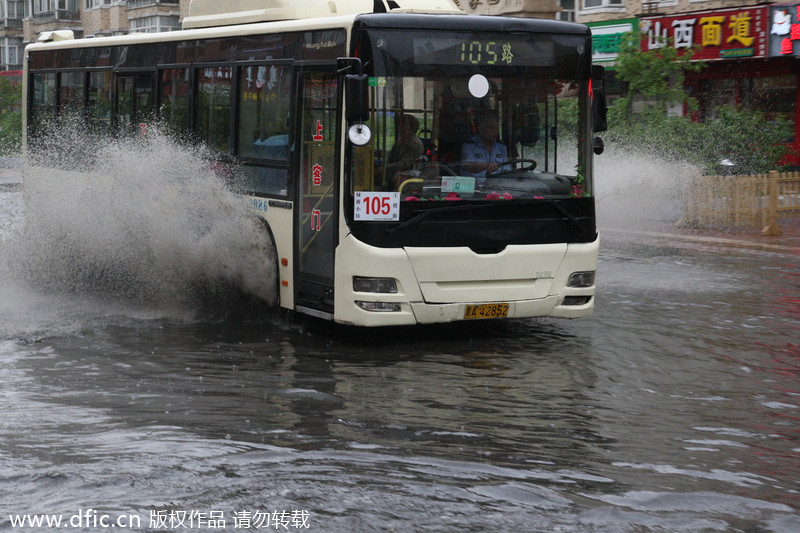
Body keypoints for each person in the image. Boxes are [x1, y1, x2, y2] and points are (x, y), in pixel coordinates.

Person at [460, 114, 508, 188]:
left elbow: (506, 171)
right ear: (481, 130)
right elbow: (469, 166)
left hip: (497, 189)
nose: (495, 132)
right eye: (491, 128)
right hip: (474, 189)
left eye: (496, 128)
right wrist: (486, 166)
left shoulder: (502, 148)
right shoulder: (469, 145)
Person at [379, 113, 424, 189]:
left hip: (407, 178)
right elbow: (392, 156)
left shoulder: (414, 144)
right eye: (400, 126)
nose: (400, 129)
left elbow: (404, 164)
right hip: (394, 174)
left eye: (404, 126)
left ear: (412, 129)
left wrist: (384, 168)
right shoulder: (400, 141)